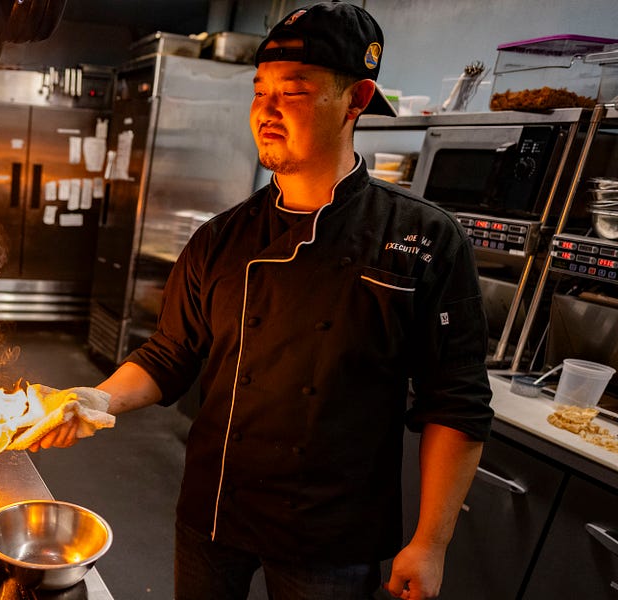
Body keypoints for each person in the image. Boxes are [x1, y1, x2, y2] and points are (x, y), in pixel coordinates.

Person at [30, 3, 494, 599]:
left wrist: (430, 543)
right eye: (259, 91)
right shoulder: (220, 236)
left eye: (293, 92)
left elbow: (455, 402)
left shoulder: (424, 239)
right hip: (214, 511)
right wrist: (97, 396)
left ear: (357, 99)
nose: (266, 110)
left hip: (332, 535)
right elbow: (172, 352)